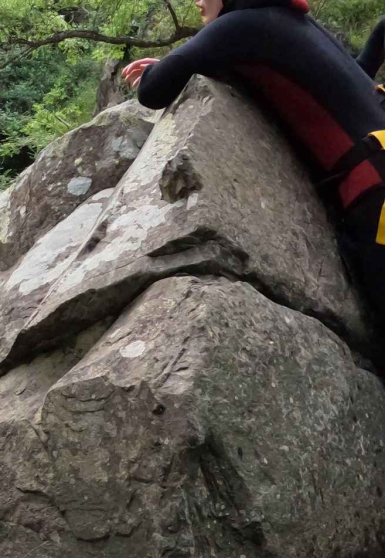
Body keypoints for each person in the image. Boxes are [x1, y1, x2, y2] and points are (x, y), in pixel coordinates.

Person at [122, 0, 385, 327]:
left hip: (375, 190)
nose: (198, 2)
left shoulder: (242, 23)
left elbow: (153, 89)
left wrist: (162, 68)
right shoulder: (295, 22)